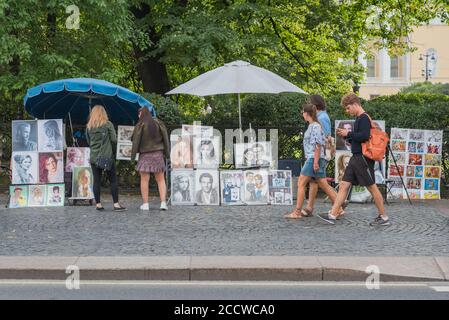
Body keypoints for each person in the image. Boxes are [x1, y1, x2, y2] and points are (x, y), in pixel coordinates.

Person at [321, 93, 390, 226]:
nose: (347, 111)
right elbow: (358, 138)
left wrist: (349, 134)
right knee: (343, 185)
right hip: (356, 157)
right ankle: (333, 214)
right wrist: (346, 136)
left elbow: (364, 136)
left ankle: (384, 217)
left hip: (363, 158)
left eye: (348, 108)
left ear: (355, 104)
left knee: (372, 188)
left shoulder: (363, 118)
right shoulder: (359, 118)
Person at [284, 103, 344, 219]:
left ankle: (297, 212)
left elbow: (317, 145)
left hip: (313, 158)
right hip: (316, 158)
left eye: (303, 112)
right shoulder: (314, 125)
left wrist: (315, 162)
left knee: (301, 183)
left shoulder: (315, 126)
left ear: (306, 114)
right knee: (323, 184)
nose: (302, 114)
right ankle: (339, 208)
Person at [301, 94, 346, 217]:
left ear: (315, 105)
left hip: (321, 153)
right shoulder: (321, 116)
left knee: (318, 181)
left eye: (310, 103)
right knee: (316, 181)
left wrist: (317, 156)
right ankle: (312, 207)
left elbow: (325, 136)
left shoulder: (322, 117)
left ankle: (338, 203)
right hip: (320, 153)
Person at [86, 105, 126, 212]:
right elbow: (113, 140)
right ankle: (116, 204)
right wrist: (112, 151)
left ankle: (98, 204)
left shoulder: (89, 126)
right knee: (112, 179)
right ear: (104, 113)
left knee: (96, 180)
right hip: (107, 156)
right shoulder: (108, 124)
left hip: (94, 157)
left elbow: (88, 141)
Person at [131, 107, 169, 211]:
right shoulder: (159, 123)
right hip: (158, 154)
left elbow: (134, 140)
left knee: (144, 180)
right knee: (161, 180)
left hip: (145, 155)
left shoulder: (140, 125)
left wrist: (133, 156)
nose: (138, 116)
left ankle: (145, 204)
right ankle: (163, 203)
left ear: (141, 114)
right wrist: (167, 153)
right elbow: (166, 138)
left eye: (139, 114)